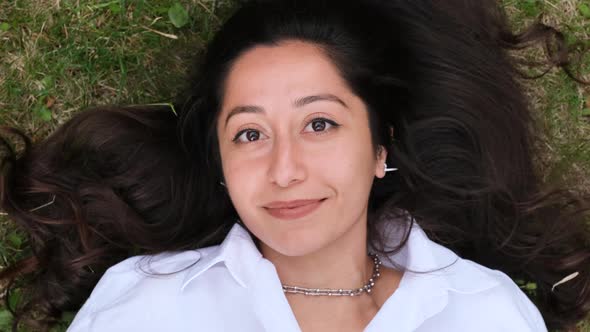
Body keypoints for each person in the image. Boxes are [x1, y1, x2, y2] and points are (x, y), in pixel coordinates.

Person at [0, 0, 589, 331]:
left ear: (381, 148)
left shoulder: (485, 311)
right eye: (250, 133)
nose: (284, 169)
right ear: (222, 165)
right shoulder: (146, 307)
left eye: (319, 124)